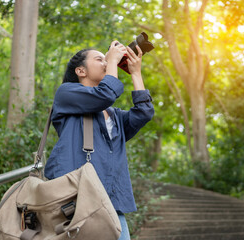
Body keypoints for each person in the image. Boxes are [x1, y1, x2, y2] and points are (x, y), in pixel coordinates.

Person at [44, 41, 154, 240]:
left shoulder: (115, 116)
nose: (106, 62)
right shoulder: (66, 94)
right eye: (99, 59)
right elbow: (105, 94)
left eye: (106, 59)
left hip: (111, 204)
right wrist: (112, 61)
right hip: (74, 204)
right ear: (81, 71)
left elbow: (144, 113)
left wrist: (136, 73)